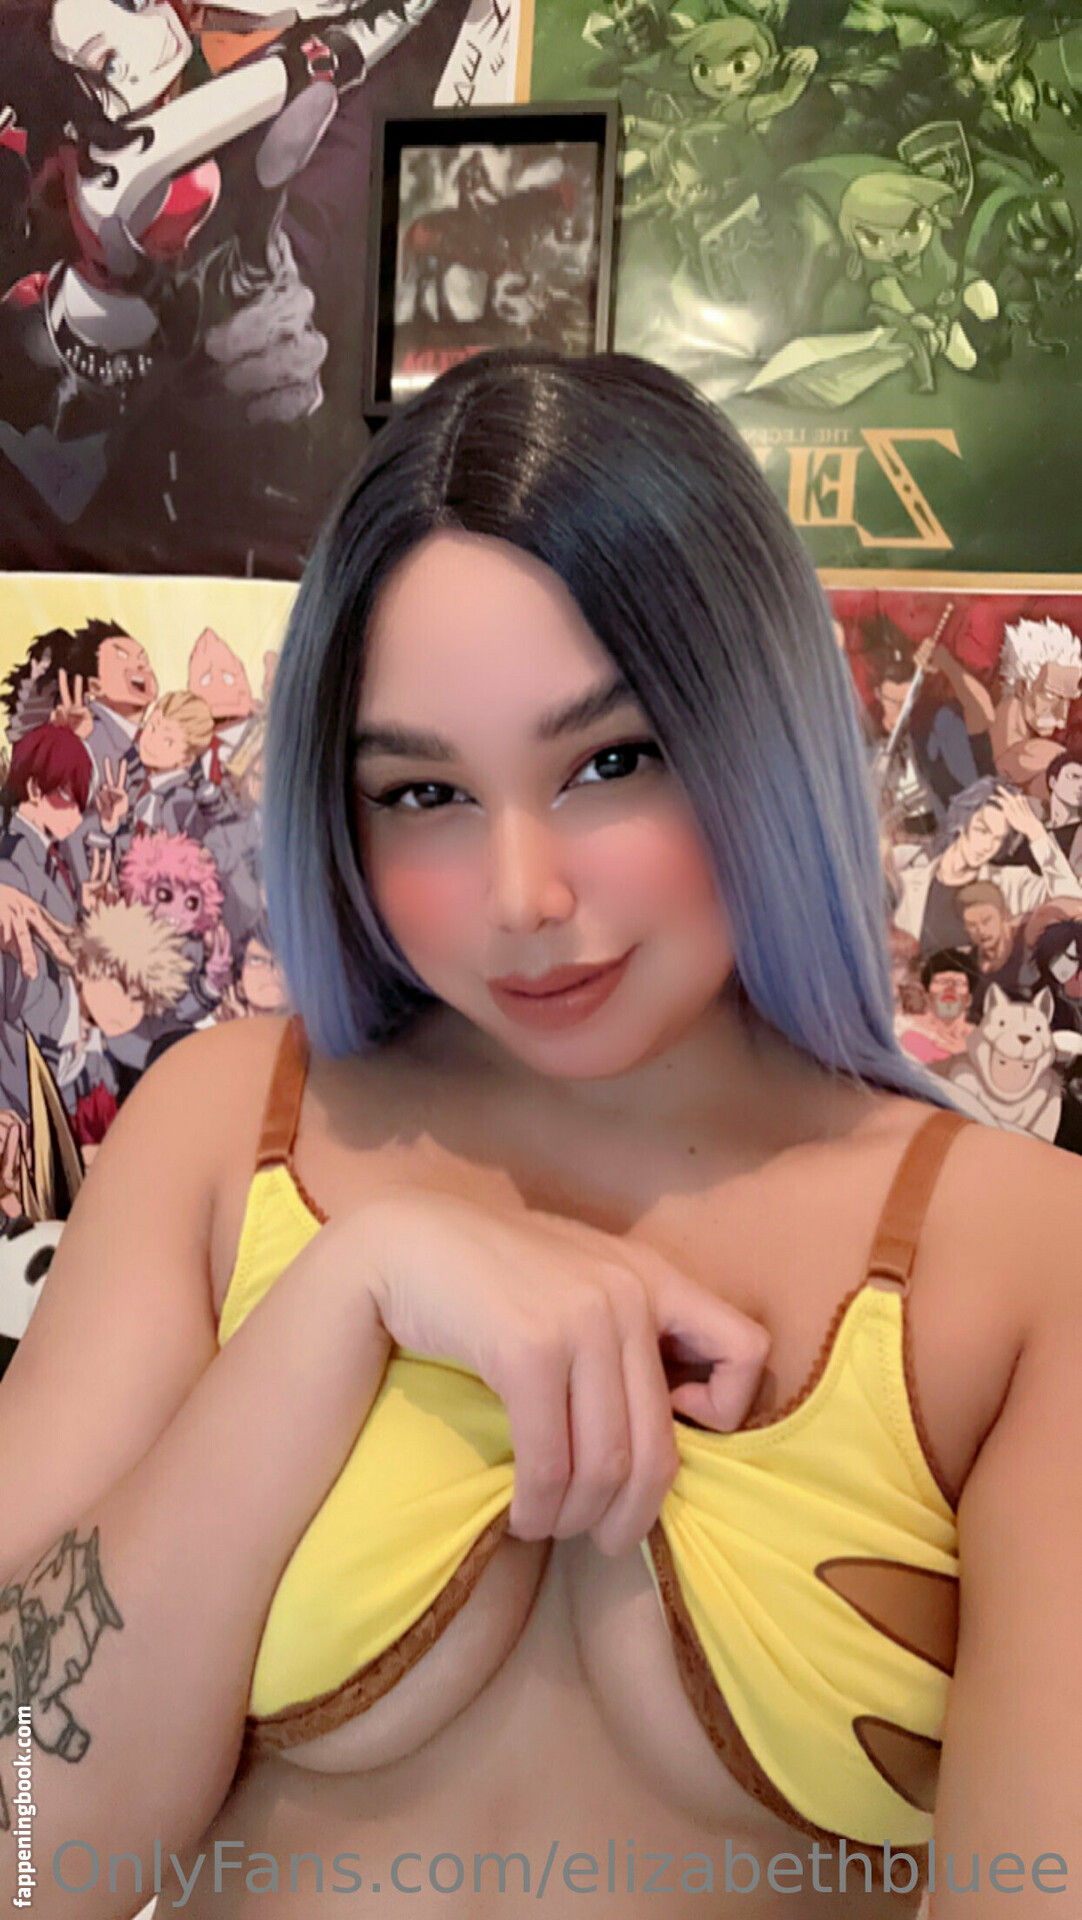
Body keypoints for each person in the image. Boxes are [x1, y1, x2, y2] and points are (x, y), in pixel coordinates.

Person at [0, 348, 1078, 1919]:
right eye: (422, 793)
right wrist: (348, 1293)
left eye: (609, 762)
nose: (522, 897)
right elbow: (29, 1856)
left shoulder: (1021, 1259)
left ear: (757, 729)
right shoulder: (225, 1133)